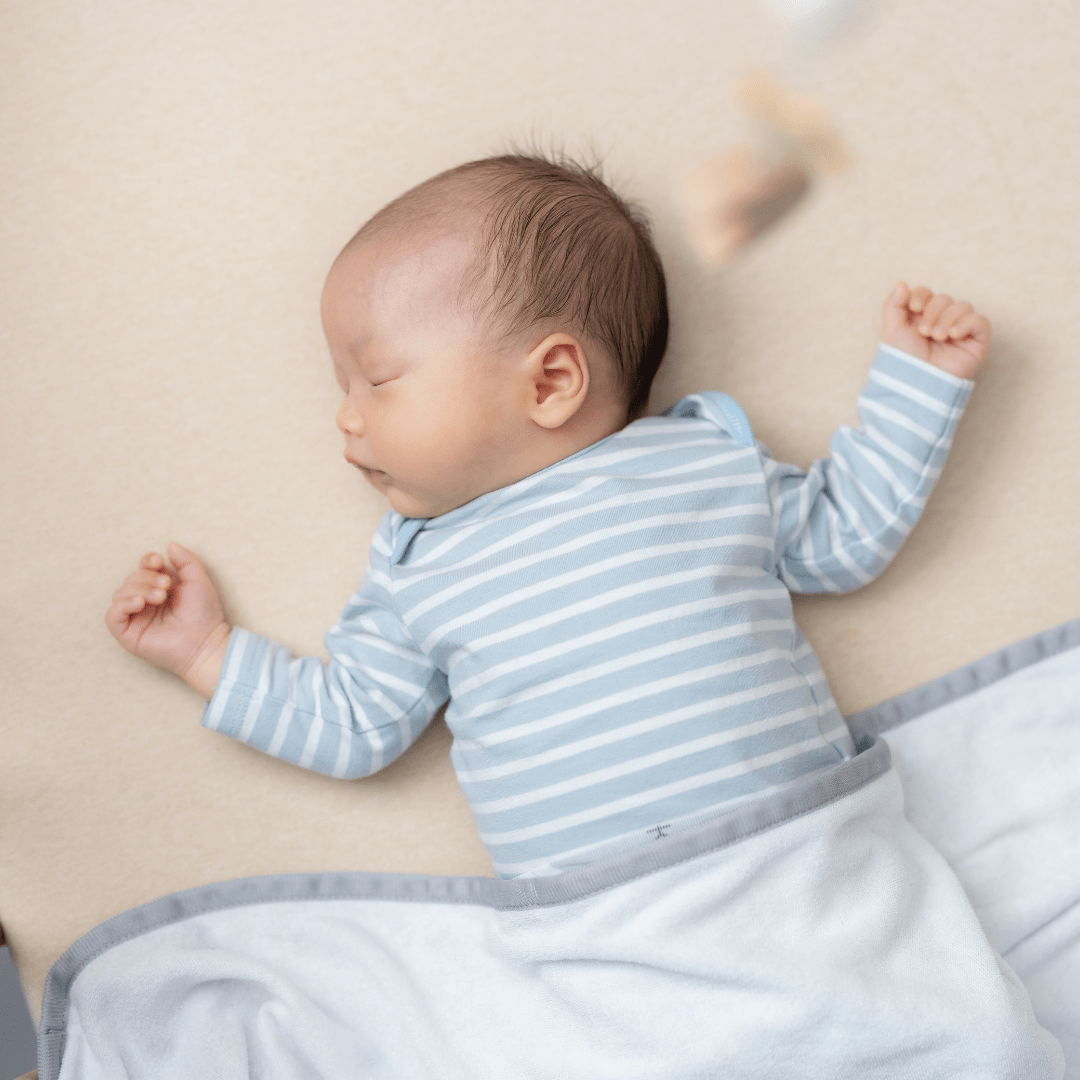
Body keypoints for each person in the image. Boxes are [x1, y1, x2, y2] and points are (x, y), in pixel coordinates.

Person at [105, 154, 990, 879]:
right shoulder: (419, 561)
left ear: (551, 381)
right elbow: (355, 721)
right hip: (602, 915)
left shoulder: (698, 461)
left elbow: (841, 537)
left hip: (805, 851)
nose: (346, 415)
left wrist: (921, 378)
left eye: (376, 379)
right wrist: (208, 654)